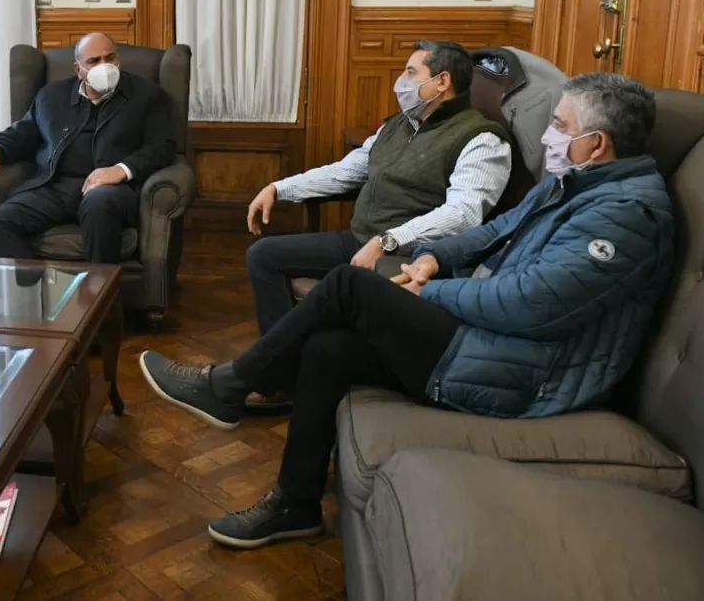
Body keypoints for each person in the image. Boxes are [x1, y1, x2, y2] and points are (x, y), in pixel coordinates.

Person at [139, 73, 673, 550]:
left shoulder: (624, 216)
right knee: (328, 349)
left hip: (526, 374)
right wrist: (433, 257)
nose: (549, 136)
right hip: (490, 334)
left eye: (559, 125)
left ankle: (231, 386)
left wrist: (430, 293)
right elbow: (492, 232)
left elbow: (530, 305)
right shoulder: (572, 183)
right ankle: (295, 504)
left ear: (596, 143)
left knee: (349, 285)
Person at [241, 40, 512, 408]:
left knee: (341, 312)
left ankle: (285, 376)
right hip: (360, 239)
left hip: (411, 258)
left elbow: (464, 213)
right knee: (264, 255)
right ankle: (284, 379)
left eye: (410, 73)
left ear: (442, 81)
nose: (399, 81)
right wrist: (280, 187)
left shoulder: (482, 138)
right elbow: (347, 171)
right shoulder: (398, 124)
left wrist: (390, 239)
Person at [0, 32, 175, 263]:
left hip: (111, 189)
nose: (104, 66)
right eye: (93, 61)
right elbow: (23, 132)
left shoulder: (147, 95)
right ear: (78, 70)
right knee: (0, 219)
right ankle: (31, 295)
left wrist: (121, 170)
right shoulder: (51, 97)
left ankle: (100, 296)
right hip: (55, 186)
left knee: (98, 206)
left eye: (109, 58)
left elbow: (163, 146)